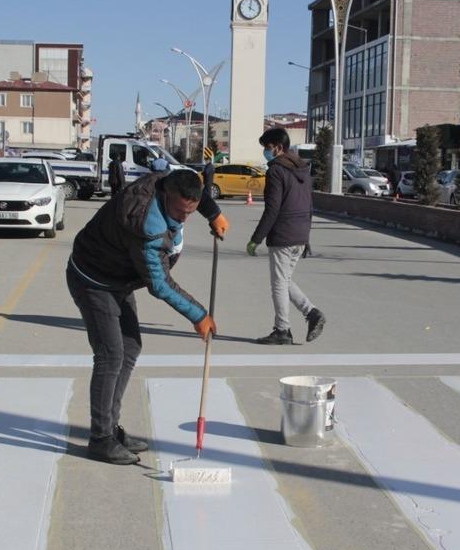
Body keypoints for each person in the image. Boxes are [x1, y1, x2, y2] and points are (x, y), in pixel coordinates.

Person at [66, 168, 229, 464]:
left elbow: (196, 190)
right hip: (93, 278)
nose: (183, 218)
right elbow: (159, 283)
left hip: (118, 276)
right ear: (166, 195)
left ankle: (111, 427)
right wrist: (198, 315)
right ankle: (101, 439)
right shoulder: (145, 224)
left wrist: (213, 212)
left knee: (130, 347)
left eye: (190, 212)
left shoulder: (170, 180)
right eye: (180, 212)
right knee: (111, 354)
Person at [247, 128, 325, 345]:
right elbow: (309, 205)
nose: (265, 151)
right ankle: (312, 313)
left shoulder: (276, 171)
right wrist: (306, 237)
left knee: (279, 284)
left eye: (267, 147)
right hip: (300, 232)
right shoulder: (303, 170)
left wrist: (256, 238)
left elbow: (272, 209)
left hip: (283, 233)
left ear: (278, 147)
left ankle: (282, 330)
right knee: (284, 279)